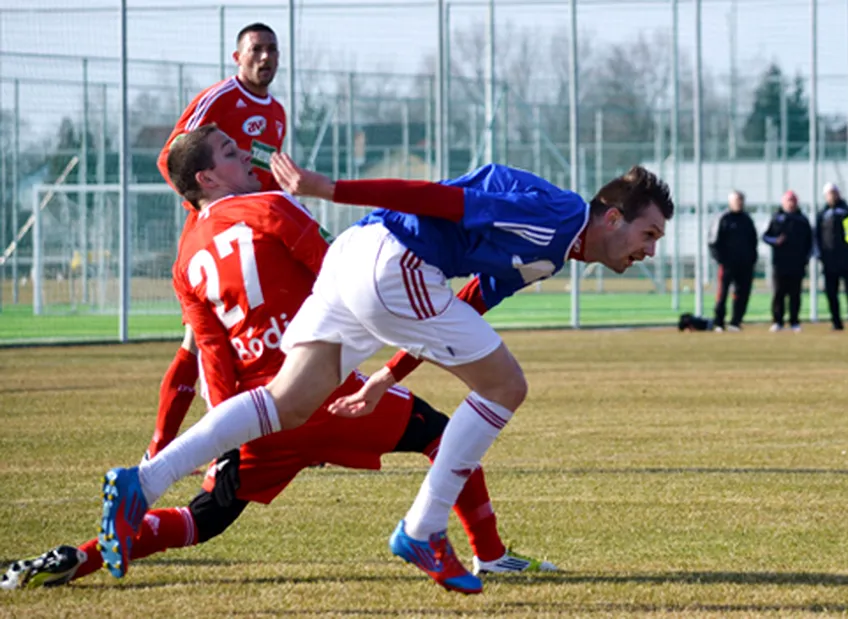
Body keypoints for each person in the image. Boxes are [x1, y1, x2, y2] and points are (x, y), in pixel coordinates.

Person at [96, 150, 674, 595]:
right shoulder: (557, 212)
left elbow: (469, 300)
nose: (649, 250)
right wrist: (332, 190)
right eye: (648, 234)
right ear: (613, 216)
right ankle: (422, 530)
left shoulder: (556, 246)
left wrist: (385, 377)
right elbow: (439, 200)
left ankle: (142, 481)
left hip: (359, 260)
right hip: (394, 258)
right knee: (506, 387)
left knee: (288, 402)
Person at [2, 385, 555, 590]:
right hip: (313, 398)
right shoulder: (270, 214)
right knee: (444, 432)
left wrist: (167, 449)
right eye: (233, 152)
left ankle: (80, 557)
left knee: (203, 520)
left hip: (251, 419)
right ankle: (491, 555)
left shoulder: (197, 253)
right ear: (209, 178)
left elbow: (186, 367)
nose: (250, 158)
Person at [146, 22, 287, 462]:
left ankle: (287, 427)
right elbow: (171, 157)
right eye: (256, 50)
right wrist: (204, 212)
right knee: (200, 340)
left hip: (254, 236)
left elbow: (261, 177)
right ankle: (162, 447)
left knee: (269, 331)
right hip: (216, 238)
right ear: (237, 57)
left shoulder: (278, 113)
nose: (265, 58)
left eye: (272, 50)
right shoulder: (218, 99)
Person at [762, 190, 813, 332]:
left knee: (795, 294)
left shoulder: (802, 220)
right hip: (779, 263)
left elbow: (810, 241)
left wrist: (806, 258)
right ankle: (777, 321)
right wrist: (775, 241)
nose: (791, 204)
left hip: (797, 263)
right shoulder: (775, 218)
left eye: (793, 201)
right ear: (783, 202)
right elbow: (765, 236)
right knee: (779, 293)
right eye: (788, 201)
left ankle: (794, 322)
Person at [816, 182, 848, 332]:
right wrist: (820, 255)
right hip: (829, 261)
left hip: (846, 260)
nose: (832, 196)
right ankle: (837, 323)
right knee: (831, 293)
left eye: (834, 193)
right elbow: (816, 236)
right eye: (829, 194)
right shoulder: (822, 214)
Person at [708, 191, 758, 332]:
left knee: (742, 293)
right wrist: (721, 259)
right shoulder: (723, 218)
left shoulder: (747, 219)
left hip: (745, 264)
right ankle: (719, 322)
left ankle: (736, 322)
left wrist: (752, 259)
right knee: (722, 293)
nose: (739, 203)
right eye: (736, 200)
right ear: (730, 202)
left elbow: (753, 241)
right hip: (727, 264)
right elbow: (713, 241)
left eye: (741, 200)